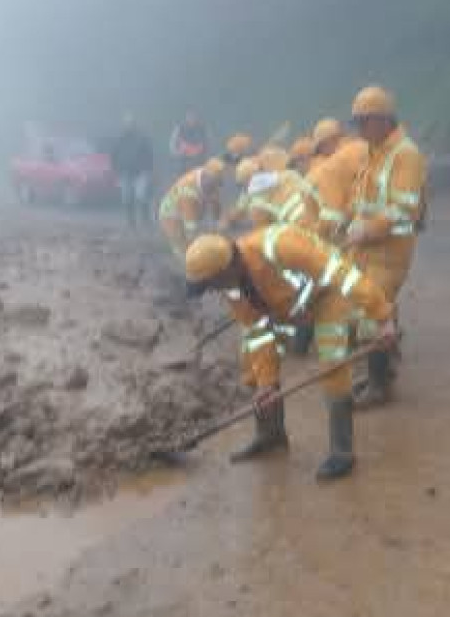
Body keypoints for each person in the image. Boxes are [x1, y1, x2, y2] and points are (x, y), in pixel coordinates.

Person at [184, 228, 397, 480]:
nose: (213, 290)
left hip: (326, 296)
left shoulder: (279, 247)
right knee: (252, 366)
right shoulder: (231, 287)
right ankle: (271, 435)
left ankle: (342, 452)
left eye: (212, 284)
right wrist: (267, 385)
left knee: (333, 366)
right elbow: (258, 331)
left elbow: (343, 276)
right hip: (288, 309)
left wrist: (383, 317)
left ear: (225, 269)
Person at [346, 86, 427, 409]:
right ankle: (383, 369)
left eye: (363, 123)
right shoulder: (375, 149)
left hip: (391, 250)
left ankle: (380, 386)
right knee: (367, 306)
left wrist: (367, 229)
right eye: (356, 124)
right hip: (368, 246)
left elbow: (403, 207)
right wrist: (351, 220)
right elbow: (362, 192)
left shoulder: (406, 154)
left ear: (382, 120)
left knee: (371, 314)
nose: (359, 130)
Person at [158, 158, 224, 262]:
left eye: (218, 183)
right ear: (206, 178)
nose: (215, 187)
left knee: (198, 238)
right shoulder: (188, 191)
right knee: (181, 243)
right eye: (214, 183)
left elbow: (216, 208)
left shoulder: (210, 178)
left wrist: (218, 223)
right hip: (170, 214)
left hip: (195, 207)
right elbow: (191, 226)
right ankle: (185, 266)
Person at [110, 114, 155, 228]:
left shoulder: (142, 138)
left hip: (141, 172)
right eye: (127, 123)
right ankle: (131, 222)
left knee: (141, 196)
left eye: (131, 123)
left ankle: (146, 220)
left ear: (134, 124)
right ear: (124, 125)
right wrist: (115, 169)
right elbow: (114, 155)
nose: (129, 125)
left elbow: (149, 154)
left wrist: (149, 170)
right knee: (127, 198)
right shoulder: (119, 138)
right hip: (125, 172)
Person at [169, 110, 209, 175]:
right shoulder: (180, 128)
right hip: (183, 161)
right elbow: (173, 144)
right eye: (190, 117)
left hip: (198, 160)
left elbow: (207, 144)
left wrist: (204, 154)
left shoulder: (202, 129)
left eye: (194, 117)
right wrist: (177, 153)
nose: (192, 119)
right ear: (186, 118)